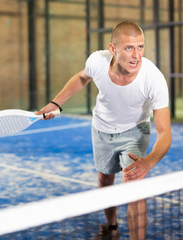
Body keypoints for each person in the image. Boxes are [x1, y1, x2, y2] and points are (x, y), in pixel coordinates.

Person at [36, 21, 172, 240]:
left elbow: (165, 133)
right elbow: (82, 77)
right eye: (129, 47)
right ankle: (111, 228)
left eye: (140, 47)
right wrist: (56, 103)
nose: (136, 55)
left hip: (134, 131)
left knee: (134, 189)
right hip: (101, 128)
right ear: (112, 49)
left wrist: (148, 162)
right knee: (105, 181)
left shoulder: (153, 78)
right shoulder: (97, 61)